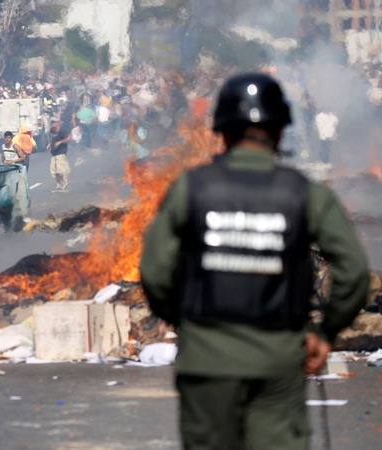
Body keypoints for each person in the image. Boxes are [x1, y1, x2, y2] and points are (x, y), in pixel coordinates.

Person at [139, 73, 370, 450]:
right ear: (280, 132)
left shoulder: (191, 188)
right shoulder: (304, 194)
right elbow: (355, 273)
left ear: (223, 132)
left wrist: (187, 323)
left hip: (206, 360)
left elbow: (154, 271)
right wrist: (325, 335)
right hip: (277, 361)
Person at [47, 117, 71, 192]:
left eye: (54, 123)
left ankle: (66, 184)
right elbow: (53, 140)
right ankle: (58, 185)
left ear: (58, 123)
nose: (53, 125)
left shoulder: (62, 130)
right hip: (54, 153)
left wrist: (60, 142)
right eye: (52, 123)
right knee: (55, 170)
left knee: (62, 170)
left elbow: (69, 138)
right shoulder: (52, 131)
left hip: (61, 152)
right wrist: (50, 144)